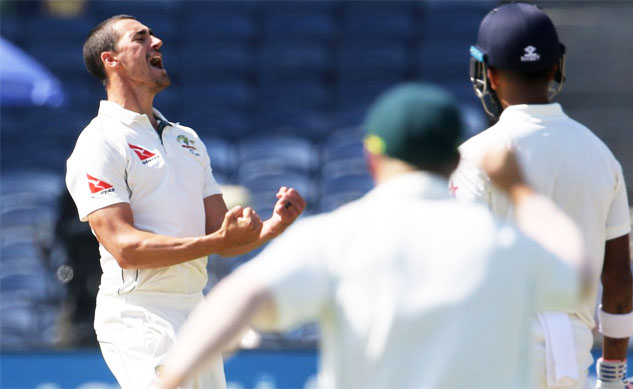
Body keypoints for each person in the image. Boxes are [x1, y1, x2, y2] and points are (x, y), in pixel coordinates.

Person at [151, 82, 593, 389]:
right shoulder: (503, 243)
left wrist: (173, 377)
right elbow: (580, 277)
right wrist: (521, 190)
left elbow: (238, 298)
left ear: (371, 159)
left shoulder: (335, 237)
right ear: (455, 162)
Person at [65, 15, 306, 389]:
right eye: (141, 38)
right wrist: (216, 243)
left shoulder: (186, 139)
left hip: (194, 307)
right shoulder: (98, 142)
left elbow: (223, 236)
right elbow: (125, 247)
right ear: (111, 60)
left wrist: (275, 225)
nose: (157, 42)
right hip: (138, 311)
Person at [450, 3, 633, 388]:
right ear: (557, 66)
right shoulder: (600, 156)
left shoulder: (475, 156)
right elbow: (619, 282)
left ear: (488, 73)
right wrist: (611, 375)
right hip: (570, 359)